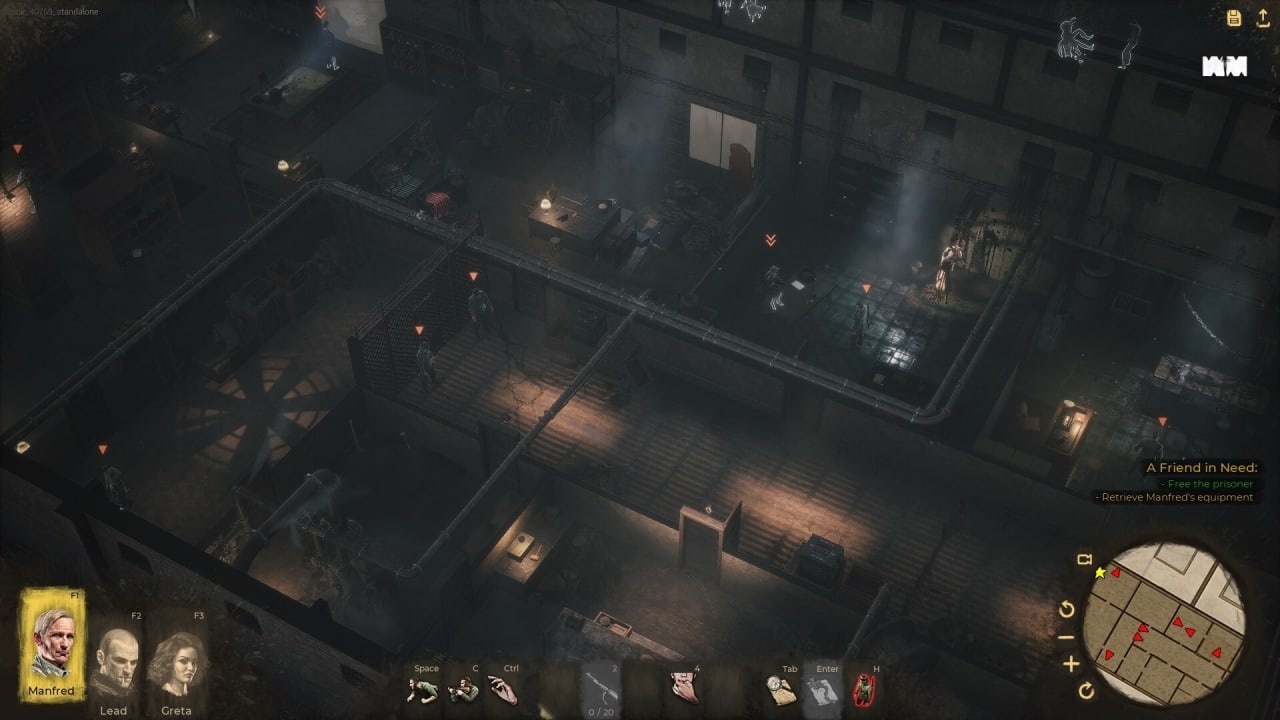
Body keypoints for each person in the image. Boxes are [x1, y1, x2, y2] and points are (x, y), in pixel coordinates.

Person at [147, 632, 206, 713]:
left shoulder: (197, 699)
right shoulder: (157, 698)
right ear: (168, 663)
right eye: (183, 661)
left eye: (194, 662)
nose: (191, 668)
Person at [91, 629, 140, 708]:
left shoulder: (135, 694)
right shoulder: (91, 694)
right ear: (101, 658)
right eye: (120, 661)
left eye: (133, 662)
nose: (128, 671)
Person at [31, 608, 75, 677]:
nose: (65, 644)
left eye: (69, 636)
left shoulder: (71, 676)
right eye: (57, 635)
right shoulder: (30, 675)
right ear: (38, 639)